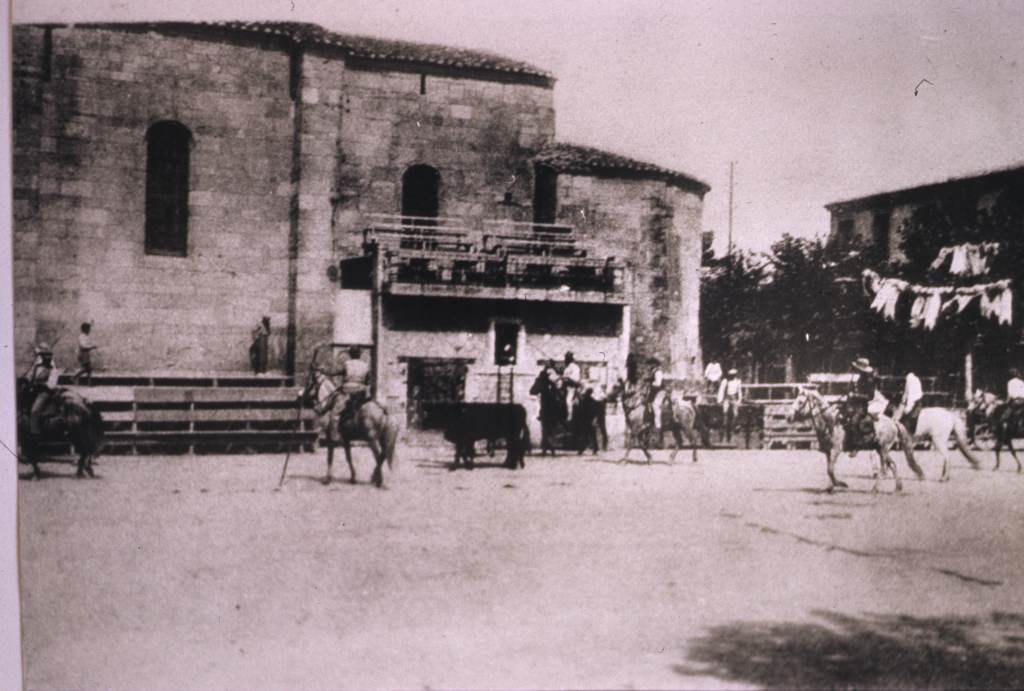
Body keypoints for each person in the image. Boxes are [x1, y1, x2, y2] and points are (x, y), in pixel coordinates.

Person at [27, 343, 61, 438]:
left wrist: (39, 385)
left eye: (49, 355)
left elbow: (51, 385)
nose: (47, 357)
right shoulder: (37, 366)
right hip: (33, 389)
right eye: (44, 355)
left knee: (34, 411)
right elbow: (30, 376)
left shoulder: (53, 369)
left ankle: (35, 434)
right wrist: (28, 380)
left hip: (45, 392)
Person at [717, 368, 742, 442]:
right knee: (725, 411)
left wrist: (739, 400)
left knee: (736, 413)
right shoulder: (725, 381)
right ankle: (724, 424)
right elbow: (721, 390)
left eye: (733, 375)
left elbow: (739, 391)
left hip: (734, 399)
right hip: (727, 399)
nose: (732, 376)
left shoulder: (738, 381)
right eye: (731, 375)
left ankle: (735, 426)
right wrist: (720, 400)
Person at [896, 369, 923, 435]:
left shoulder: (912, 380)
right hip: (913, 402)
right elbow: (906, 394)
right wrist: (901, 404)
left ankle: (908, 436)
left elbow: (911, 396)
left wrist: (907, 409)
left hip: (915, 404)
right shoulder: (909, 379)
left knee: (906, 421)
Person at [649, 357, 667, 430]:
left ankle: (658, 426)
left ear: (655, 365)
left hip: (660, 391)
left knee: (655, 405)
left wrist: (651, 383)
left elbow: (658, 383)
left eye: (651, 364)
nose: (650, 366)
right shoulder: (652, 372)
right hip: (654, 392)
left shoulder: (658, 372)